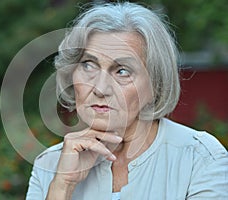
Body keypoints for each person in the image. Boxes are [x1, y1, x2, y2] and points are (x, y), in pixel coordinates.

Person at [26, 2, 228, 200]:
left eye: (122, 71)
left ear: (155, 85)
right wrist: (63, 185)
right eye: (89, 65)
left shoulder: (199, 158)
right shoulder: (52, 164)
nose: (100, 88)